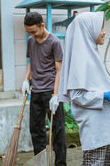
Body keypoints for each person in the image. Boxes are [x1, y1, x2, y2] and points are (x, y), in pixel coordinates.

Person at [58, 11, 110, 166]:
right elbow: (77, 96)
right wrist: (104, 96)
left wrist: (107, 95)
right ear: (88, 30)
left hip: (104, 126)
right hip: (95, 128)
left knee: (107, 163)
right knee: (94, 162)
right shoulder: (81, 60)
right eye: (100, 28)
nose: (104, 32)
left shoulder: (91, 54)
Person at [21, 12, 67, 166]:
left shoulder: (54, 42)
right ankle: (40, 162)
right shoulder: (31, 41)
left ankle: (60, 163)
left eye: (33, 31)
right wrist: (26, 79)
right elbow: (31, 61)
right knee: (36, 130)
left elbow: (59, 69)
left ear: (42, 25)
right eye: (28, 32)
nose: (31, 35)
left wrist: (56, 94)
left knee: (58, 131)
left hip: (51, 91)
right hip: (36, 91)